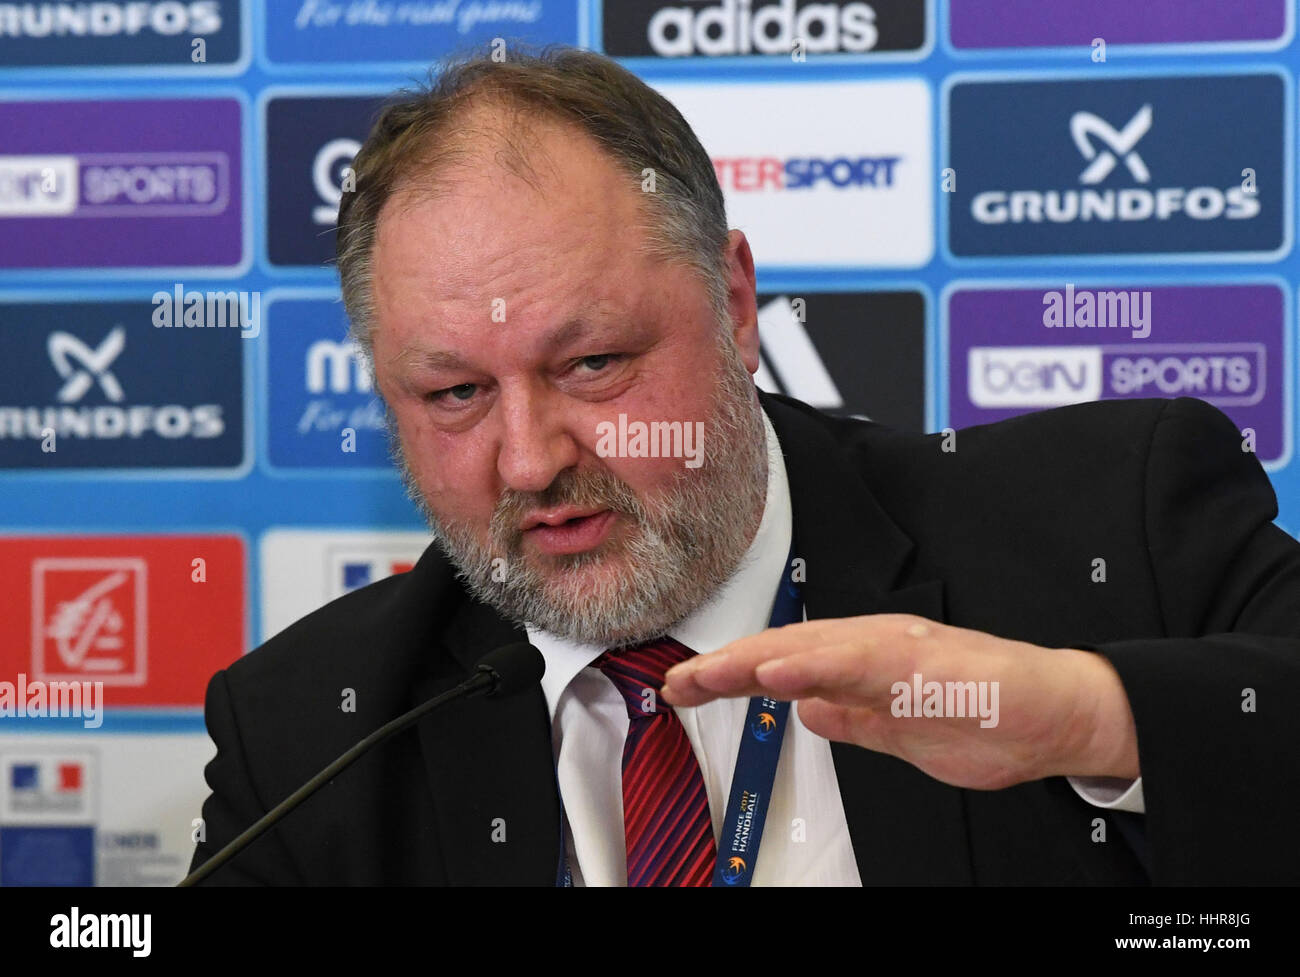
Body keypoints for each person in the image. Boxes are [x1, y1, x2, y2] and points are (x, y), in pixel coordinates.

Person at [189, 46, 1300, 885]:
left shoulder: (1111, 520)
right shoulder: (311, 732)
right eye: (454, 394)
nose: (528, 462)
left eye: (591, 362)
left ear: (730, 304)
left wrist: (1091, 718)